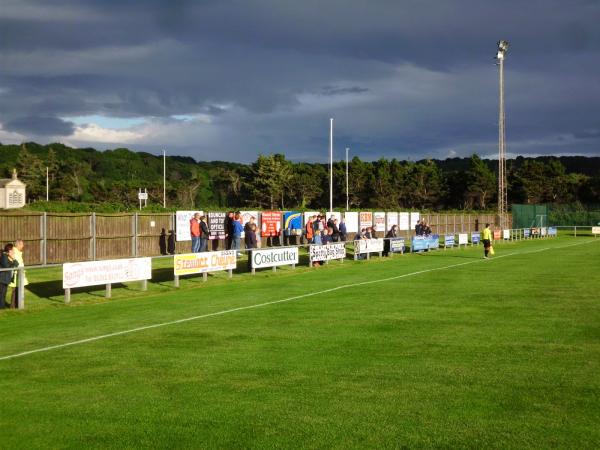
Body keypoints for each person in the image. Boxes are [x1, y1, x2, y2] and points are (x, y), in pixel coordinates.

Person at [9, 239, 28, 308]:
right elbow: (17, 264)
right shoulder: (15, 252)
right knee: (15, 292)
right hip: (16, 275)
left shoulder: (18, 252)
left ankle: (17, 305)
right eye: (22, 244)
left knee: (17, 291)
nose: (23, 246)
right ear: (18, 244)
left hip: (19, 274)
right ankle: (15, 307)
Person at [1, 244, 19, 309]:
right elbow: (7, 267)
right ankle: (2, 308)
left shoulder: (7, 256)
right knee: (2, 294)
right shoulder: (4, 256)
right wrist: (13, 261)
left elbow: (17, 264)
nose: (14, 252)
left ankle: (2, 307)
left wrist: (13, 259)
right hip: (2, 279)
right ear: (9, 250)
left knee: (3, 294)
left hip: (5, 279)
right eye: (13, 250)